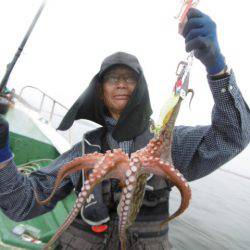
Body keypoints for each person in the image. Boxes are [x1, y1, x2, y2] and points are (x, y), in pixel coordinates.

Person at [0, 8, 250, 250]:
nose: (120, 84)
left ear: (140, 88)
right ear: (100, 90)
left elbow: (234, 136)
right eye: (111, 78)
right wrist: (2, 156)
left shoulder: (168, 145)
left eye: (129, 78)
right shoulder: (84, 152)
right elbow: (22, 204)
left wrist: (217, 69)